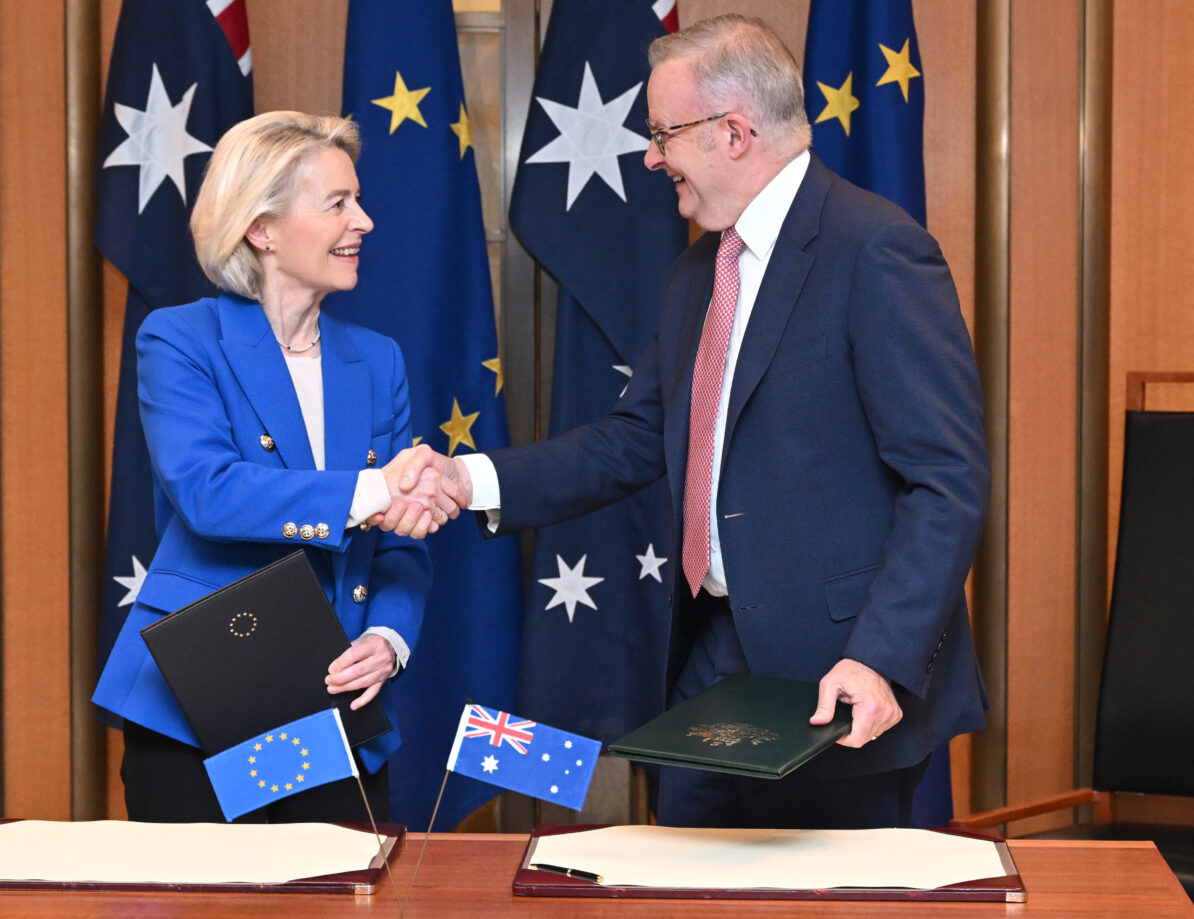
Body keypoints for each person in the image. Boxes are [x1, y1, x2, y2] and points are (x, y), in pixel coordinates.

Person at [384, 15, 989, 830]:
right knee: (687, 882)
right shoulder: (697, 269)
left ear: (734, 131)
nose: (650, 154)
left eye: (664, 132)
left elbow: (945, 479)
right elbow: (634, 439)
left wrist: (878, 658)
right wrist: (468, 477)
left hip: (840, 677)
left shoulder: (875, 250)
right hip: (712, 658)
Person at [93, 111, 461, 823]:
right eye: (338, 204)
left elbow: (401, 539)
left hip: (331, 712)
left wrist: (388, 639)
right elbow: (210, 493)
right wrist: (376, 487)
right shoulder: (179, 338)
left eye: (357, 199)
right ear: (261, 228)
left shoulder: (377, 358)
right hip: (199, 710)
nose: (365, 221)